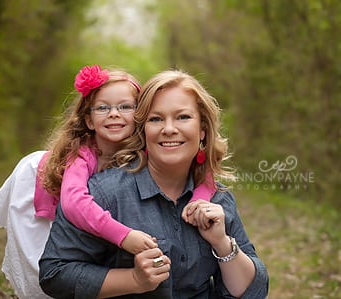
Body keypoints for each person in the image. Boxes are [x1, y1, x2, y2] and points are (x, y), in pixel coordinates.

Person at [0, 65, 217, 298]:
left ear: (140, 115)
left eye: (125, 106)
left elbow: (202, 169)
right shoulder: (81, 156)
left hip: (99, 220)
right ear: (89, 121)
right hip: (59, 209)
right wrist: (124, 236)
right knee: (55, 267)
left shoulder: (148, 148)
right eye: (103, 108)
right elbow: (74, 203)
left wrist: (198, 200)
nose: (114, 113)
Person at [39, 70, 269, 298]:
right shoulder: (105, 193)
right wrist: (134, 280)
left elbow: (253, 291)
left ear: (202, 130)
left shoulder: (218, 199)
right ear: (143, 130)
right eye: (156, 119)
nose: (169, 129)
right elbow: (54, 274)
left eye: (183, 117)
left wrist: (222, 243)